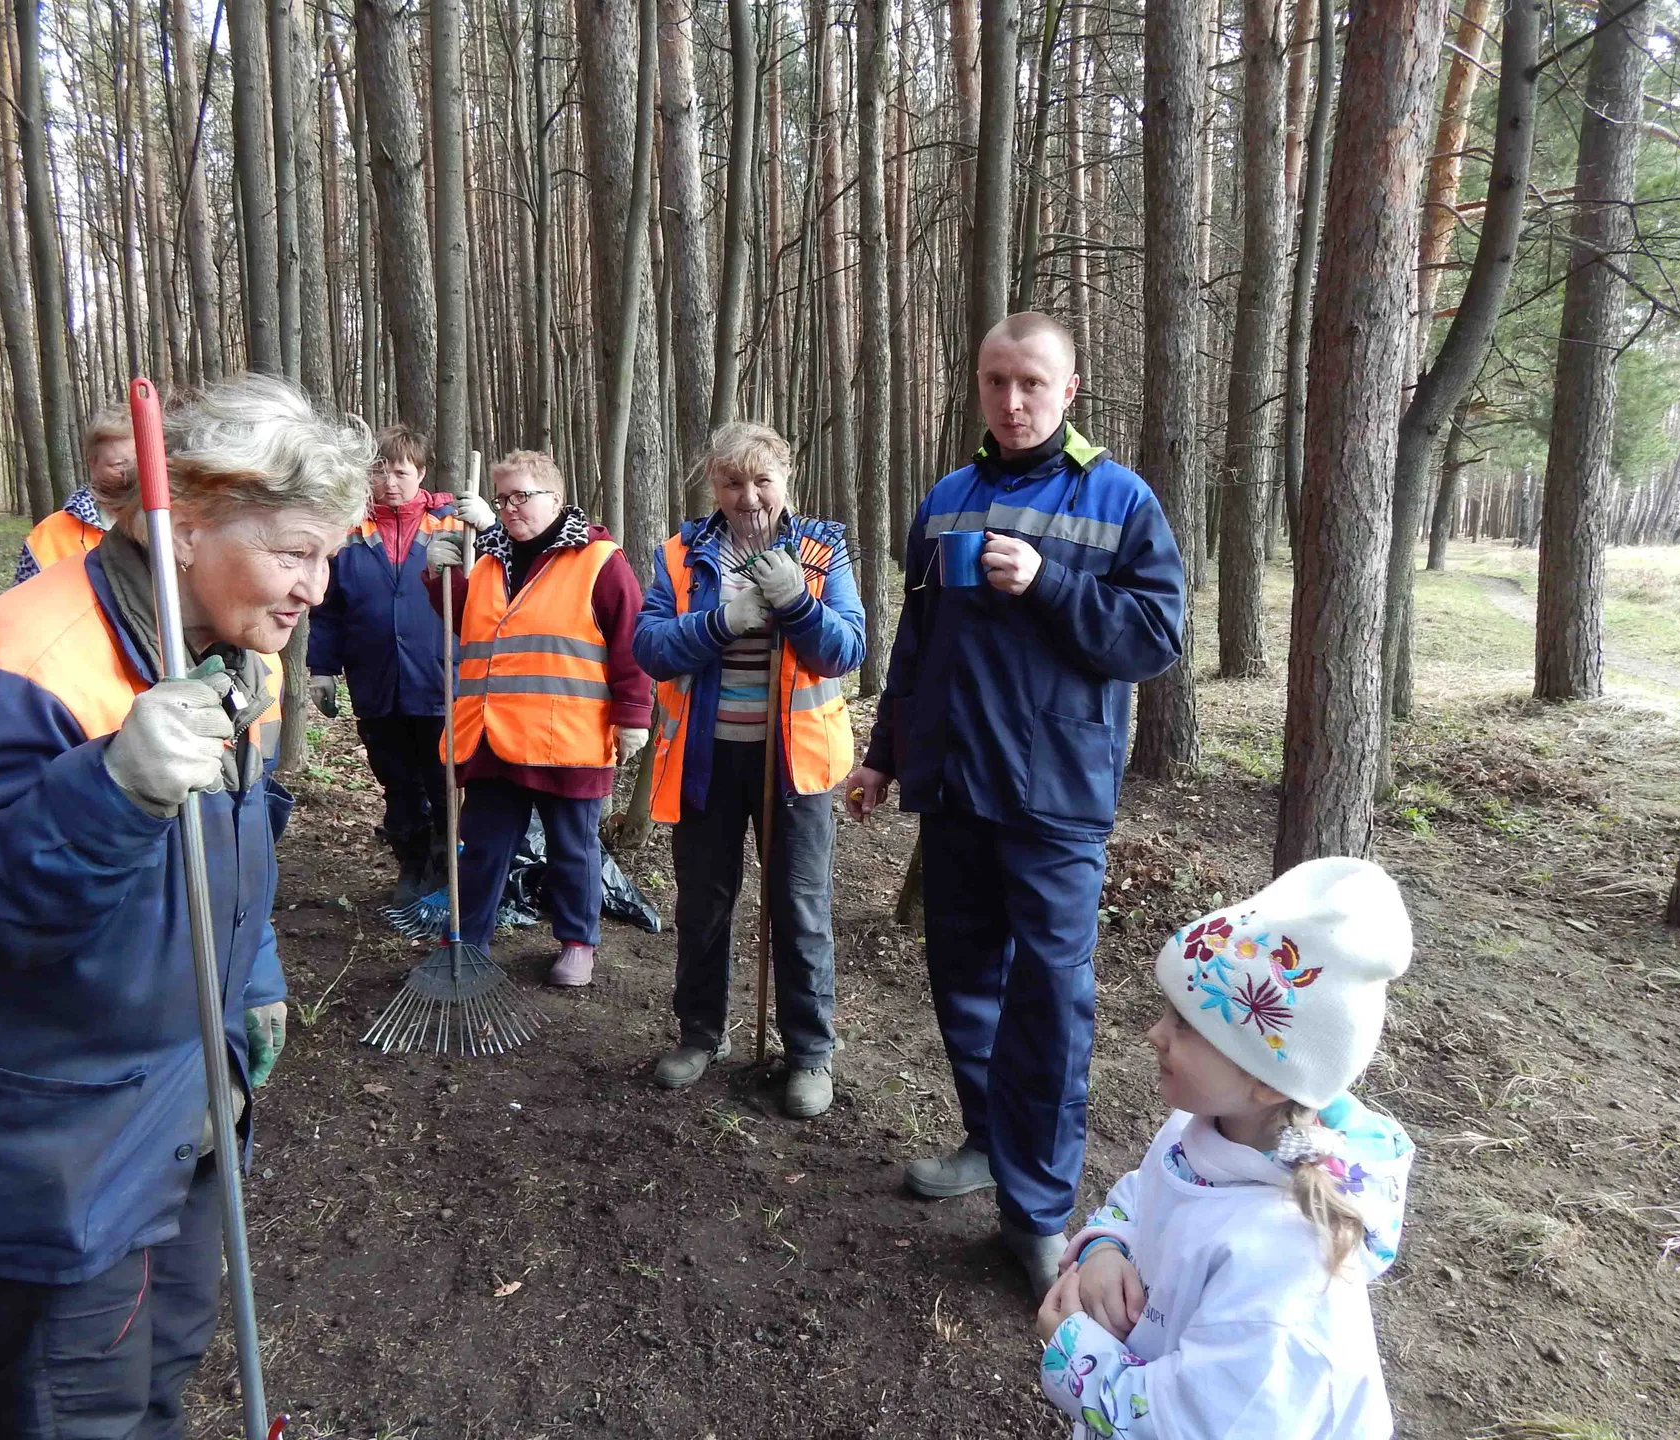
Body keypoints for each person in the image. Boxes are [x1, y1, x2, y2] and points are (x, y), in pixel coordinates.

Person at [0, 374, 371, 1438]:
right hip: (53, 1156)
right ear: (186, 523)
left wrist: (256, 978)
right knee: (80, 1412)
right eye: (295, 550)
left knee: (160, 1377)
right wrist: (110, 791)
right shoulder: (28, 660)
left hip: (182, 1111)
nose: (316, 589)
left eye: (328, 555)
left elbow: (232, 854)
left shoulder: (238, 647)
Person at [846, 311, 1188, 1293]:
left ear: (1069, 389)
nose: (1012, 399)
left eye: (1032, 382)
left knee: (1048, 1002)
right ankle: (988, 1143)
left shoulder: (1118, 499)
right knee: (964, 983)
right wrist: (883, 756)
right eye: (997, 380)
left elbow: (1152, 640)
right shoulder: (947, 498)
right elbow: (917, 646)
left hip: (1055, 797)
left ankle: (1038, 1208)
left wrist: (1047, 583)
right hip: (954, 785)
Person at [1034, 858, 1416, 1438]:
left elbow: (1197, 1425)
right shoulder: (1207, 1128)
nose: (1154, 1033)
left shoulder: (1284, 1266)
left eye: (1186, 1024)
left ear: (1266, 1077)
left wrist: (1074, 1352)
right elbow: (1146, 1194)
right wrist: (1106, 1247)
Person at [634, 421, 866, 1120]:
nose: (749, 496)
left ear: (785, 480)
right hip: (706, 758)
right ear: (715, 485)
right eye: (733, 482)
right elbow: (650, 647)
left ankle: (809, 1053)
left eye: (762, 480)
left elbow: (846, 648)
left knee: (799, 908)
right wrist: (721, 621)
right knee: (703, 903)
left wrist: (797, 600)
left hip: (794, 764)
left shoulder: (823, 549)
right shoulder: (680, 555)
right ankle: (700, 1034)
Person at [422, 450, 650, 987]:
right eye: (502, 498)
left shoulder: (599, 560)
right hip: (490, 734)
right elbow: (465, 623)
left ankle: (577, 942)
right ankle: (468, 940)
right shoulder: (488, 558)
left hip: (566, 737)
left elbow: (630, 641)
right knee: (481, 847)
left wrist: (633, 713)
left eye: (522, 496)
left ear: (556, 497)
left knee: (574, 849)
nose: (510, 508)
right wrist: (440, 573)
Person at [306, 425, 468, 905]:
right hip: (375, 678)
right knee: (396, 782)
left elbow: (485, 593)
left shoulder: (453, 526)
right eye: (380, 470)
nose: (389, 481)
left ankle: (448, 872)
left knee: (444, 782)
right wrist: (321, 669)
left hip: (438, 678)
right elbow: (328, 608)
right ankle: (411, 865)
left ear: (420, 473)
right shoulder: (350, 533)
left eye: (400, 471)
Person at [13, 405, 137, 583]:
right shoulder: (50, 537)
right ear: (92, 464)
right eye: (119, 465)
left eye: (138, 463)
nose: (131, 474)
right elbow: (22, 606)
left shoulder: (166, 525)